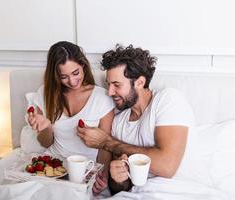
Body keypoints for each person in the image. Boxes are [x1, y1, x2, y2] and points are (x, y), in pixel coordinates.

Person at [77, 45, 198, 195]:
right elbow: (120, 189)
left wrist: (106, 142)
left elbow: (167, 166)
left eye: (117, 85)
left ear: (140, 82)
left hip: (176, 192)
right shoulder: (119, 122)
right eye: (109, 85)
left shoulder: (167, 100)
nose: (110, 92)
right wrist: (117, 179)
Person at [27, 41, 115, 195]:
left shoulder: (102, 98)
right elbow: (44, 142)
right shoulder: (45, 94)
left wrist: (103, 176)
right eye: (64, 77)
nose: (72, 81)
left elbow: (105, 147)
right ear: (55, 76)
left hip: (84, 170)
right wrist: (46, 127)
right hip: (53, 165)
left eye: (76, 73)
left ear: (83, 66)